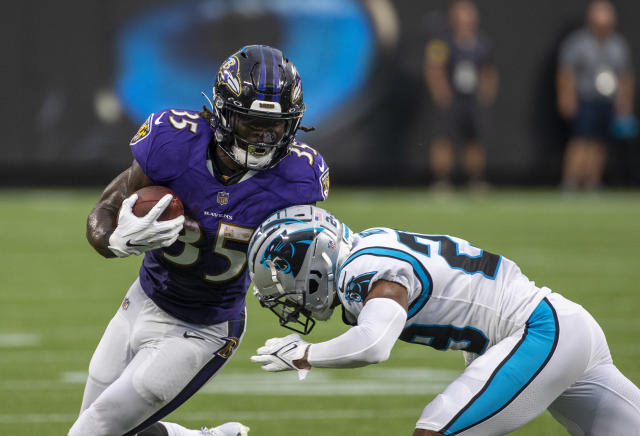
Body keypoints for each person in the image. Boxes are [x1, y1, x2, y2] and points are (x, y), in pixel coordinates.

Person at [71, 45, 330, 436]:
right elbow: (106, 206)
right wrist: (113, 240)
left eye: (274, 127)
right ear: (223, 113)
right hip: (141, 299)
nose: (263, 138)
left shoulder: (298, 178)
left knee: (93, 431)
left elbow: (315, 256)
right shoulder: (173, 142)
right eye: (251, 123)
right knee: (105, 426)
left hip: (206, 328)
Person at [247, 205, 640, 435]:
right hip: (559, 327)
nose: (289, 298)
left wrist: (306, 355)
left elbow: (373, 343)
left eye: (286, 279)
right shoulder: (370, 243)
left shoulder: (360, 268)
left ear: (315, 259)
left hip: (538, 333)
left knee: (435, 428)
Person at [557, 0, 635, 191]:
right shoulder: (578, 42)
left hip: (607, 99)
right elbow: (566, 73)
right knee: (581, 139)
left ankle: (592, 181)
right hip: (585, 97)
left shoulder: (618, 44)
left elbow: (625, 76)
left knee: (600, 142)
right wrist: (566, 97)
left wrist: (625, 101)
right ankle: (571, 180)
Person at [424, 0, 498, 189]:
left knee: (474, 140)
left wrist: (487, 91)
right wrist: (440, 91)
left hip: (472, 98)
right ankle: (441, 180)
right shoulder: (442, 42)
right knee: (444, 139)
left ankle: (475, 180)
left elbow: (488, 70)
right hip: (452, 98)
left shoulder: (481, 43)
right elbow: (433, 68)